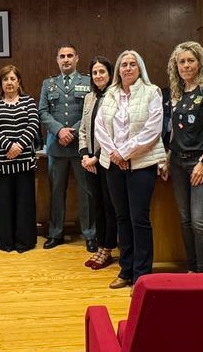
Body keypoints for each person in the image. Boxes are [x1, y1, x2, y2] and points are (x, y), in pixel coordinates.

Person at [95, 50, 166, 289]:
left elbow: (152, 130)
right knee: (122, 218)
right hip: (113, 165)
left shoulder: (151, 92)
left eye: (132, 64)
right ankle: (125, 270)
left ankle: (141, 275)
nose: (127, 68)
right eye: (123, 64)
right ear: (118, 70)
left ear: (140, 68)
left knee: (139, 219)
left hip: (141, 165)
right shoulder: (111, 94)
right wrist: (115, 154)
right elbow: (100, 128)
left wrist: (125, 152)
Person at [164, 41, 203, 274]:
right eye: (181, 61)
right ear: (175, 66)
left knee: (200, 221)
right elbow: (175, 130)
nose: (186, 65)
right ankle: (191, 270)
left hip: (201, 162)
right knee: (185, 219)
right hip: (178, 162)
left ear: (200, 62)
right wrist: (168, 159)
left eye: (191, 60)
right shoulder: (177, 91)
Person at [40, 43, 95, 251]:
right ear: (57, 60)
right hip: (56, 147)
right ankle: (55, 233)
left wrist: (72, 130)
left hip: (81, 146)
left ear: (77, 58)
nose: (66, 59)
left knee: (86, 192)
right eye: (62, 56)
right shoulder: (49, 84)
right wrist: (59, 130)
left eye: (70, 55)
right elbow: (43, 111)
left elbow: (90, 110)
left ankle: (90, 234)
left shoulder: (88, 81)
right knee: (55, 192)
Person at [0, 65, 39, 253]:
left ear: (19, 82)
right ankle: (6, 241)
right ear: (1, 83)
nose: (9, 82)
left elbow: (33, 124)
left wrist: (19, 146)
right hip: (2, 164)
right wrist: (9, 146)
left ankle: (24, 242)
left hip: (24, 163)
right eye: (5, 79)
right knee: (4, 204)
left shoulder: (28, 101)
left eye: (12, 79)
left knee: (24, 204)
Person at [78, 56, 117, 270]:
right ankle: (101, 245)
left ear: (110, 74)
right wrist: (84, 154)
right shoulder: (89, 97)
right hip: (89, 161)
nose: (98, 75)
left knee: (109, 206)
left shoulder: (116, 97)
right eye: (94, 72)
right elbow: (83, 129)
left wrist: (96, 156)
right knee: (97, 206)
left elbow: (112, 133)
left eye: (102, 71)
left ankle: (108, 248)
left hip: (106, 161)